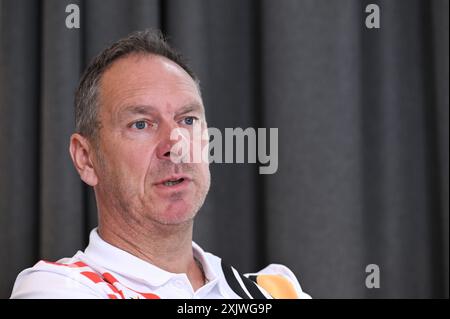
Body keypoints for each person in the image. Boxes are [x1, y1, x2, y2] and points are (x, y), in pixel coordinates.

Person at [10, 30, 310, 299]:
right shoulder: (57, 288)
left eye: (188, 120)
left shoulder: (274, 290)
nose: (175, 145)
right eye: (141, 124)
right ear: (86, 159)